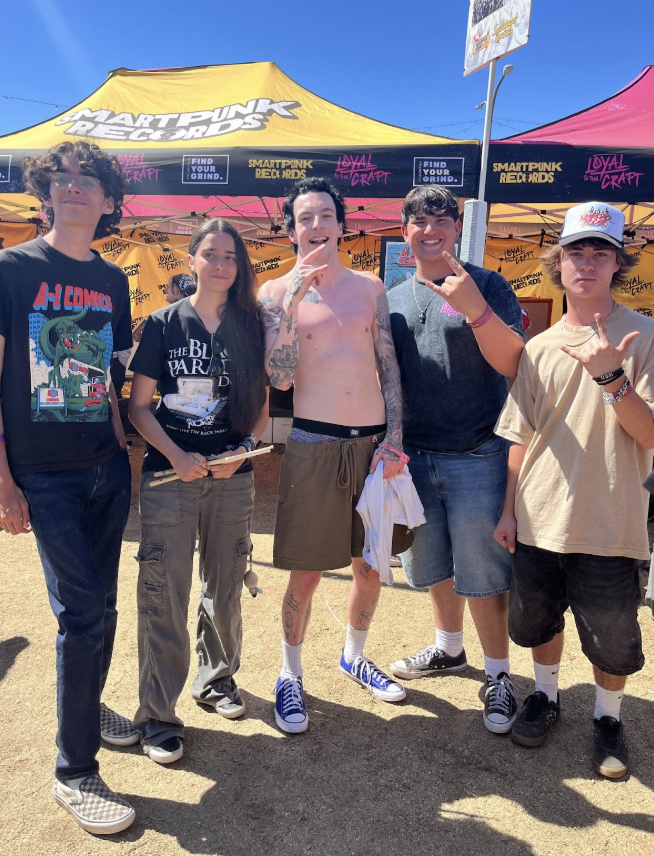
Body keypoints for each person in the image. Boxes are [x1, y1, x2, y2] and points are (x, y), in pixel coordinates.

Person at [0, 142, 137, 834]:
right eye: (63, 178)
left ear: (109, 201)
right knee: (82, 614)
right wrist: (3, 478)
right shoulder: (12, 268)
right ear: (46, 193)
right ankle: (74, 771)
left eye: (90, 180)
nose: (74, 186)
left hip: (105, 466)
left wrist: (122, 447)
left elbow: (112, 375)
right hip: (43, 474)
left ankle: (86, 707)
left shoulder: (113, 280)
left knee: (101, 606)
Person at [493, 202, 654, 778]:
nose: (586, 263)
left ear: (618, 264)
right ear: (557, 265)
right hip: (538, 517)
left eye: (599, 253)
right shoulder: (538, 348)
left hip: (611, 520)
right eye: (575, 253)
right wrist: (508, 511)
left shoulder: (644, 336)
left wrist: (612, 377)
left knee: (612, 637)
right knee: (537, 623)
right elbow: (520, 437)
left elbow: (650, 433)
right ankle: (546, 696)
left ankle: (608, 718)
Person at [257, 177, 406, 734]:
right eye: (304, 217)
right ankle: (290, 673)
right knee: (307, 573)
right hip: (313, 442)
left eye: (325, 215)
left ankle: (354, 655)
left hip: (374, 445)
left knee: (371, 566)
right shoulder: (274, 292)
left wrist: (395, 437)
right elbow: (279, 377)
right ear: (291, 229)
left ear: (342, 225)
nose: (315, 225)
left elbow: (388, 367)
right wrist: (293, 300)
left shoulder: (371, 287)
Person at [129, 218, 269, 764]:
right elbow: (139, 408)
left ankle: (216, 680)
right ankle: (158, 716)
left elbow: (262, 403)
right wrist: (176, 455)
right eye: (210, 253)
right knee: (163, 593)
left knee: (227, 581)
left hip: (232, 479)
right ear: (191, 260)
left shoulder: (251, 326)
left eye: (230, 256)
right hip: (171, 477)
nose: (220, 264)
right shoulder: (164, 324)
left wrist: (245, 449)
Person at [387, 186, 525, 734]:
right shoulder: (394, 297)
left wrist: (476, 310)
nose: (430, 230)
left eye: (441, 219)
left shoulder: (488, 285)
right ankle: (449, 648)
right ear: (404, 230)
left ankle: (498, 675)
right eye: (419, 221)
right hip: (416, 459)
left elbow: (515, 361)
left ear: (457, 227)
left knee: (485, 573)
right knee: (434, 566)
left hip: (479, 454)